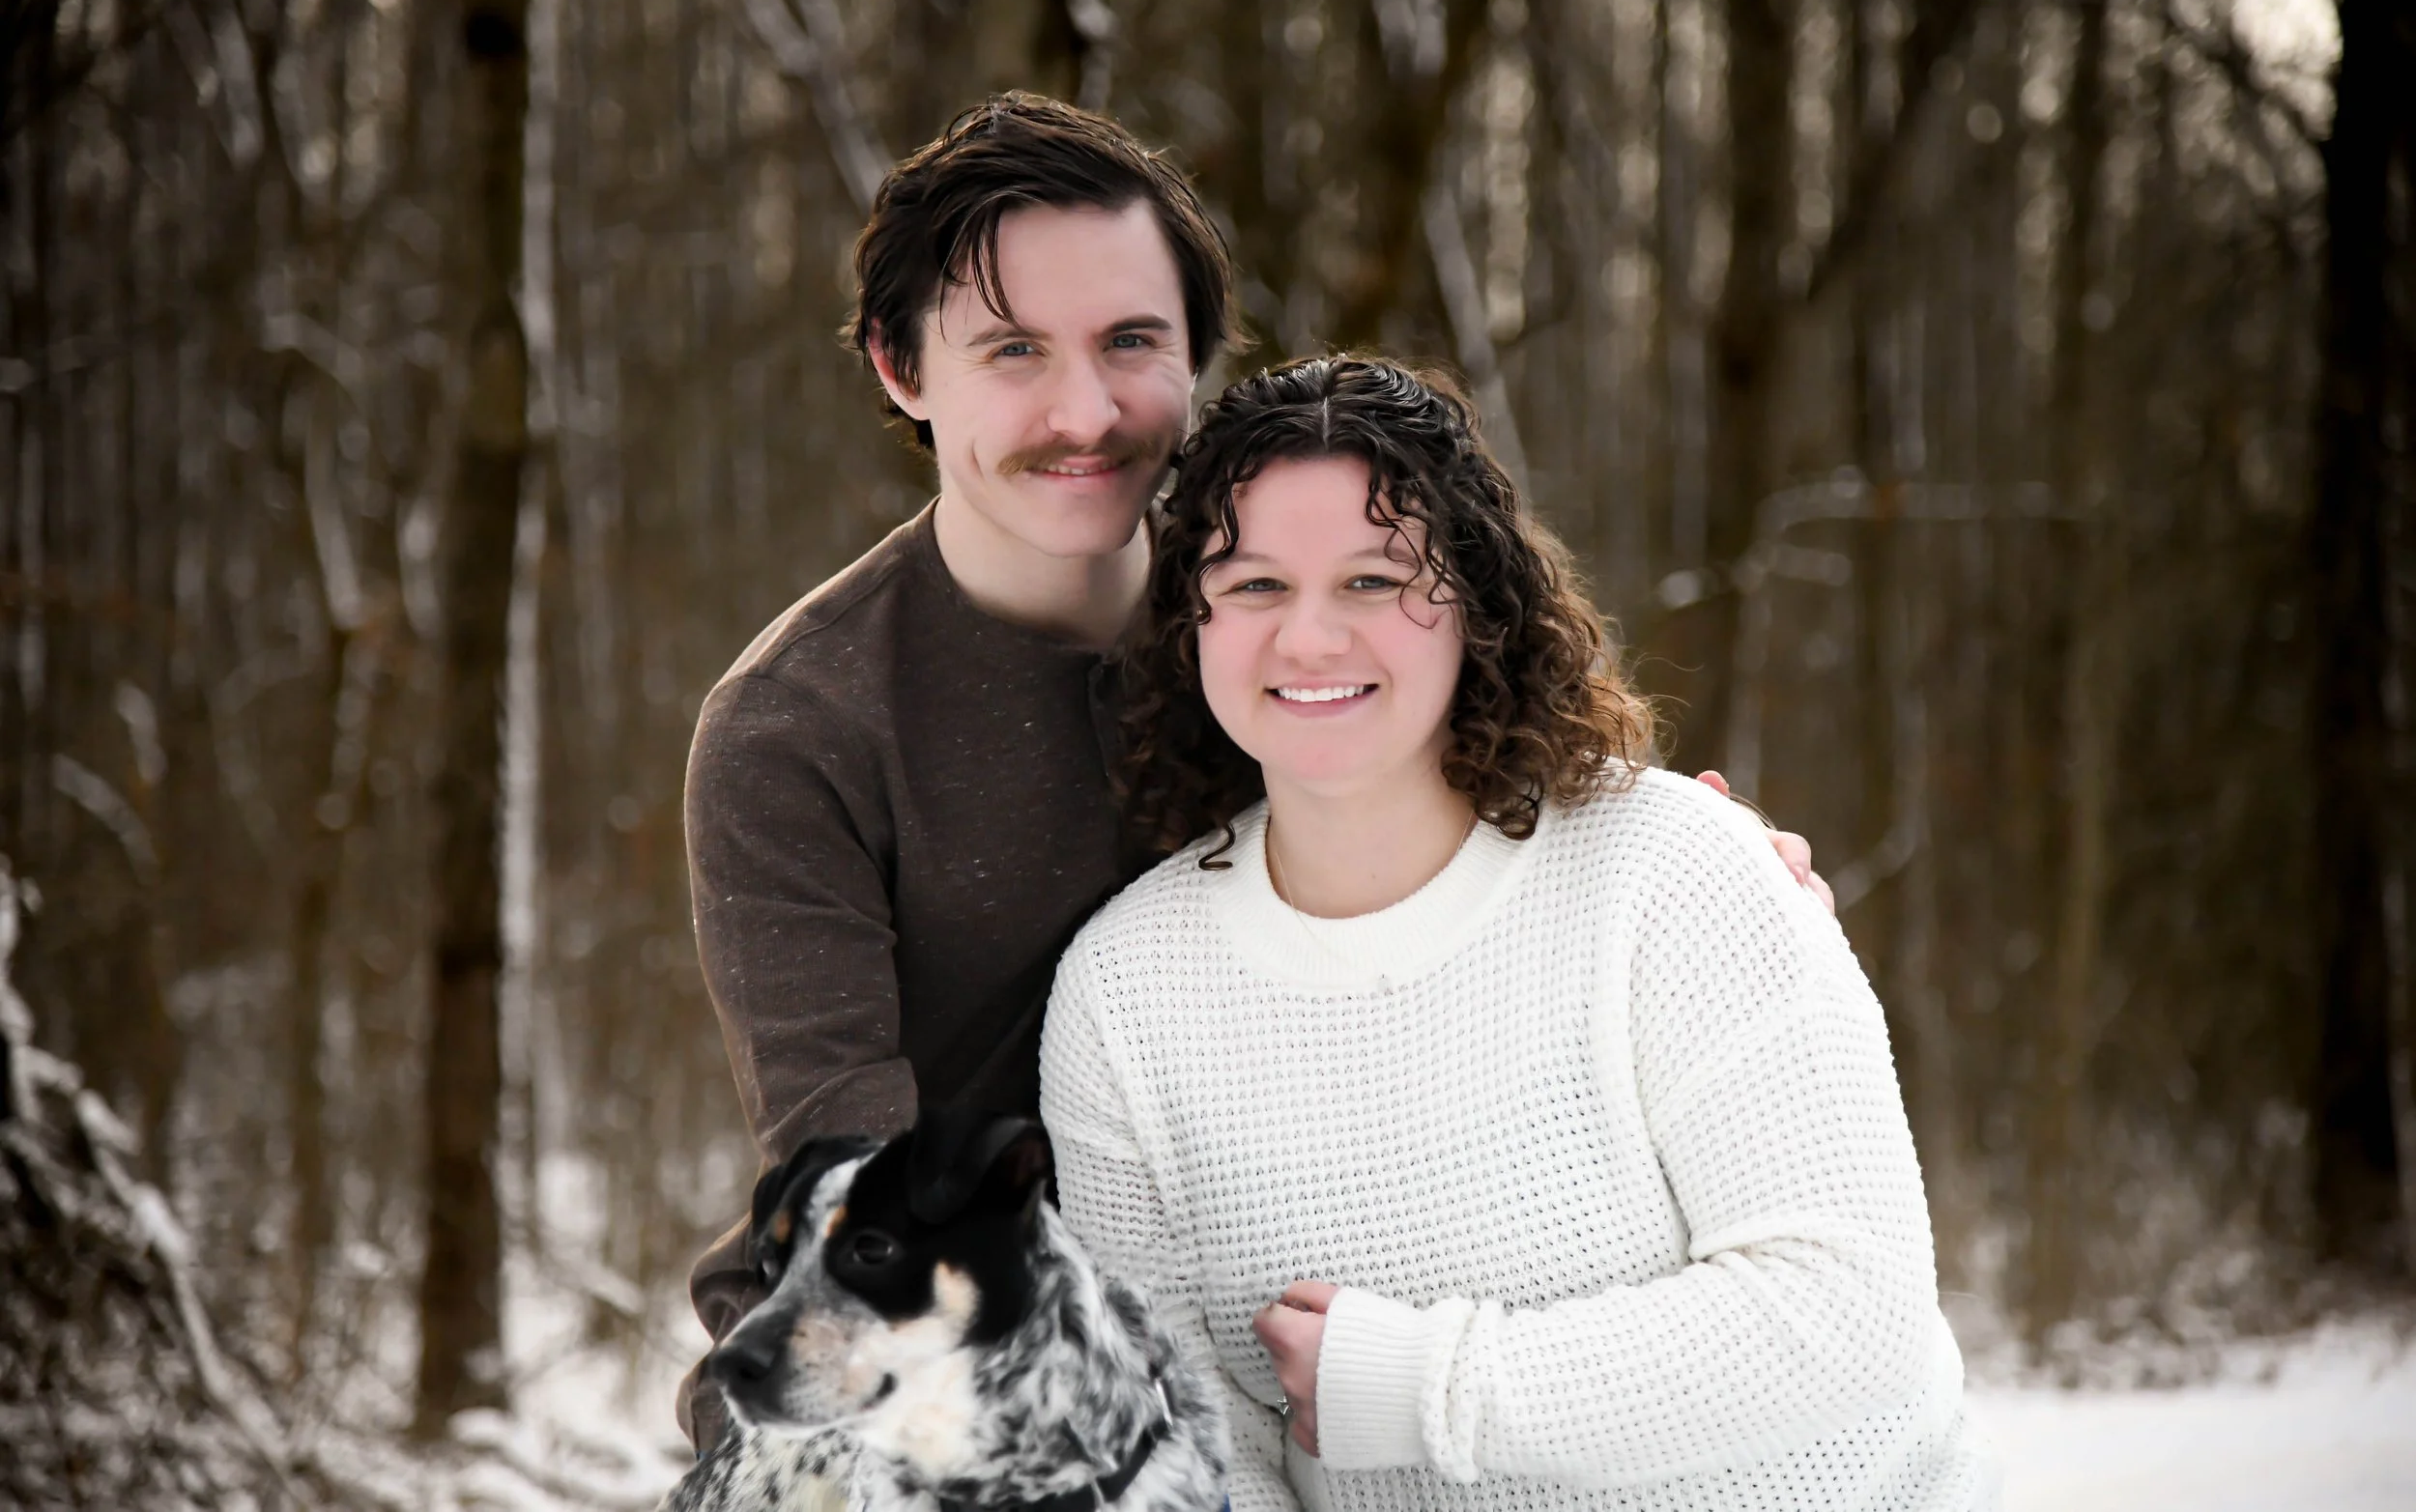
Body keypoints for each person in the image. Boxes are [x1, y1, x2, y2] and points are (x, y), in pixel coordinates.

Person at [679, 95, 1829, 1449]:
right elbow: (860, 1191)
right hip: (942, 1363)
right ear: (899, 365)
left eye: (1132, 341)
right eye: (1012, 349)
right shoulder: (796, 729)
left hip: (1307, 1319)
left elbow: (1507, 793)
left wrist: (1703, 870)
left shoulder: (1280, 615)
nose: (1085, 410)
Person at [1039, 357, 1993, 1512]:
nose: (1310, 635)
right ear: (1188, 618)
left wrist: (1424, 1386)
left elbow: (1847, 1312)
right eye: (1254, 584)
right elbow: (1190, 1444)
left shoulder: (1672, 870)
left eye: (1375, 578)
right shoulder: (1124, 992)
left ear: (1476, 605)